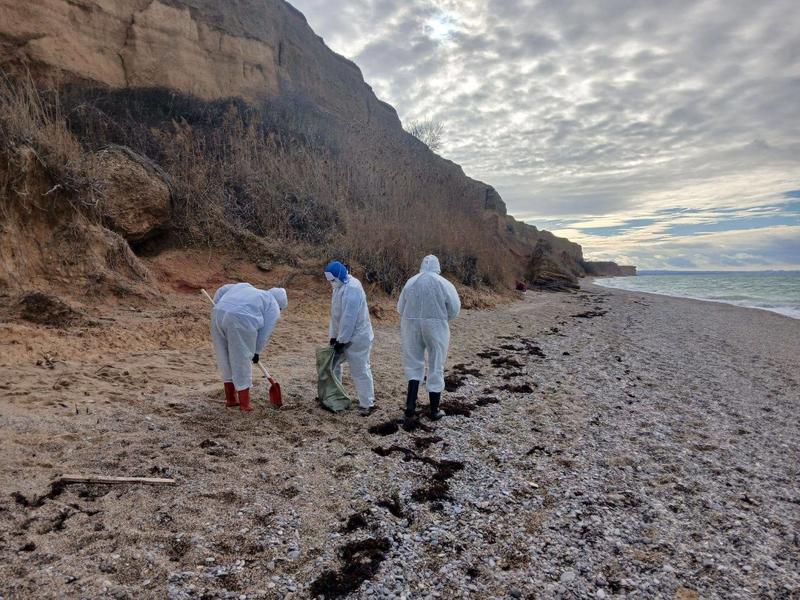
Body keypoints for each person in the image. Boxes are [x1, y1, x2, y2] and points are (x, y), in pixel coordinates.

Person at [397, 255, 461, 421]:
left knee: (413, 362)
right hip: (436, 326)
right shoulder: (444, 283)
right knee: (436, 363)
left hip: (411, 325)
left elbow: (400, 307)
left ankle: (410, 406)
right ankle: (434, 410)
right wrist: (441, 317)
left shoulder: (411, 282)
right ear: (437, 266)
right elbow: (454, 308)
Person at [211, 283, 288, 412]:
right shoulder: (273, 304)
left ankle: (231, 399)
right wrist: (256, 351)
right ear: (280, 305)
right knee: (241, 359)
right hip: (241, 318)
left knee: (224, 356)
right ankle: (245, 404)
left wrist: (218, 305)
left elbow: (221, 290)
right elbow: (265, 332)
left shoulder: (247, 287)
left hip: (218, 313)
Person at [325, 261, 376, 416]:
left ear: (339, 276)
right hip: (342, 335)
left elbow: (349, 317)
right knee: (332, 366)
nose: (331, 283)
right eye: (330, 281)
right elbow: (336, 315)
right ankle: (336, 396)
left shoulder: (352, 288)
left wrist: (342, 340)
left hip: (358, 337)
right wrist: (334, 337)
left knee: (359, 369)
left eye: (333, 280)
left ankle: (367, 403)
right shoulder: (338, 287)